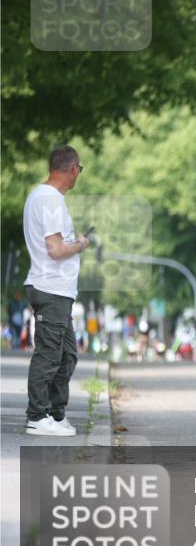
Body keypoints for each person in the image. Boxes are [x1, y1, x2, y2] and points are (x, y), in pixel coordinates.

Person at [22, 145, 90, 436]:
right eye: (79, 170)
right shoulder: (50, 200)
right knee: (50, 355)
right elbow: (56, 249)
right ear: (73, 169)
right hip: (50, 288)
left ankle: (55, 413)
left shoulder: (45, 197)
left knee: (67, 355)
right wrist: (81, 245)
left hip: (57, 290)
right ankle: (37, 416)